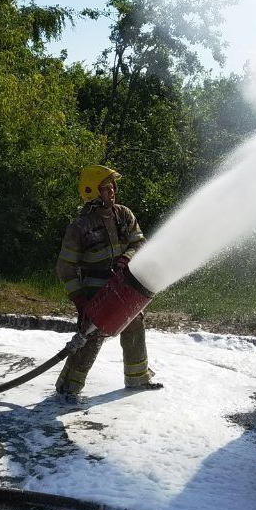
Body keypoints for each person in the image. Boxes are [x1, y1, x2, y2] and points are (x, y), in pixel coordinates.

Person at [54, 165, 162, 402]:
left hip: (124, 285)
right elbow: (65, 267)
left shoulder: (123, 214)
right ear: (92, 192)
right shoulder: (79, 227)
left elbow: (139, 242)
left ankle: (137, 377)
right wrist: (80, 300)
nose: (112, 190)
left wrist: (127, 257)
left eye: (112, 186)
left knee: (134, 323)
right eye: (105, 187)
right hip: (95, 291)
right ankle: (68, 388)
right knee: (91, 336)